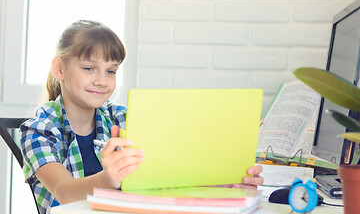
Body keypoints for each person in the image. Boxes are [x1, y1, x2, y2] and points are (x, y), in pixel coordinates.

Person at [20, 20, 263, 214]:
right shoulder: (38, 129)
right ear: (60, 68)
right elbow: (65, 192)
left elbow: (167, 177)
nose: (102, 80)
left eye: (111, 71)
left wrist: (227, 183)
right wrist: (109, 178)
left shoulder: (123, 119)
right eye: (89, 68)